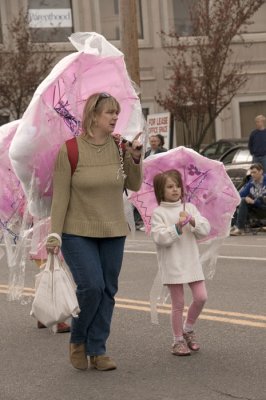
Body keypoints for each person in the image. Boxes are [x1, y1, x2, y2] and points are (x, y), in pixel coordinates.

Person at [45, 92, 143, 371]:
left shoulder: (120, 147)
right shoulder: (70, 150)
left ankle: (98, 349)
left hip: (113, 228)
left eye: (116, 112)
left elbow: (134, 185)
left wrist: (135, 158)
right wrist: (54, 233)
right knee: (91, 287)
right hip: (76, 231)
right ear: (93, 116)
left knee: (108, 290)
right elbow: (61, 196)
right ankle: (78, 339)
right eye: (109, 113)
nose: (114, 117)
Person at [150, 170, 210, 356]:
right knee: (178, 303)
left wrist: (192, 221)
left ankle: (188, 329)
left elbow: (205, 230)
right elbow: (160, 238)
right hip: (172, 263)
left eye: (177, 186)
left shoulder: (189, 208)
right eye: (170, 186)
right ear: (161, 191)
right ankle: (177, 340)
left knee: (201, 297)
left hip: (191, 261)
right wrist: (176, 227)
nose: (175, 189)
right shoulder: (158, 213)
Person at [230, 163, 266, 236]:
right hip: (257, 208)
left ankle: (240, 229)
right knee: (239, 200)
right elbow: (240, 195)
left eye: (254, 172)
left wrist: (254, 201)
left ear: (261, 171)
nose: (252, 175)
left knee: (244, 200)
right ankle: (234, 226)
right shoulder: (251, 183)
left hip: (264, 207)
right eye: (251, 173)